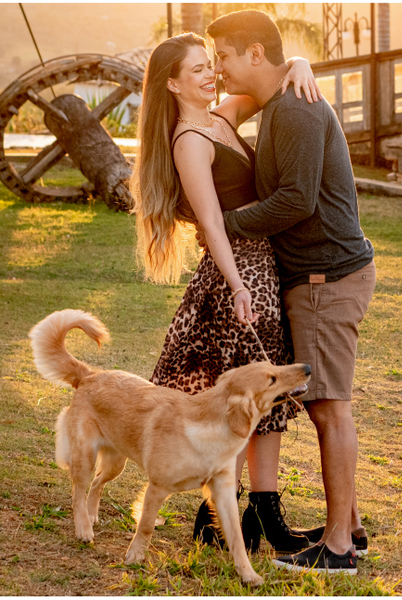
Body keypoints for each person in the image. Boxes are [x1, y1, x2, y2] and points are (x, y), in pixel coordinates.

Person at [130, 31, 322, 555]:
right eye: (196, 69)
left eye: (210, 65)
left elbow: (267, 83)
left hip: (263, 265)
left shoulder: (221, 117)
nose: (211, 74)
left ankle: (261, 513)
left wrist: (299, 62)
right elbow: (213, 223)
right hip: (237, 273)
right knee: (245, 396)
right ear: (172, 84)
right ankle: (220, 518)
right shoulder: (189, 140)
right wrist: (238, 285)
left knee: (264, 395)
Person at [205, 9, 376, 575]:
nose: (218, 68)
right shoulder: (281, 98)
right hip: (316, 277)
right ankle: (350, 530)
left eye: (224, 56)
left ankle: (338, 549)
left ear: (255, 54)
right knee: (326, 404)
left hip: (326, 276)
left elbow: (297, 200)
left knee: (329, 409)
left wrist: (223, 224)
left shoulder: (296, 109)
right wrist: (298, 62)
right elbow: (241, 100)